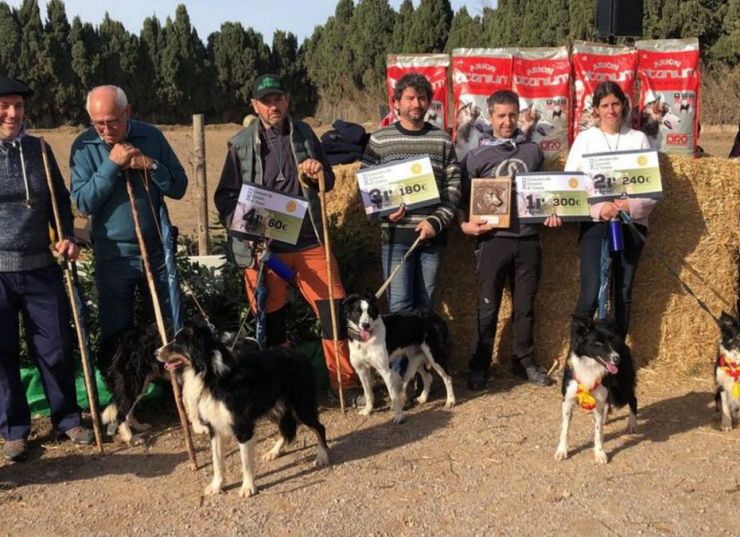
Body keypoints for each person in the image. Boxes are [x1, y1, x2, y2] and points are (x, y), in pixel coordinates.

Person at [214, 74, 361, 403]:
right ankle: (281, 393)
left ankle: (345, 386)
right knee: (271, 321)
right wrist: (245, 230)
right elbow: (225, 197)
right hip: (266, 248)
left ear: (287, 101)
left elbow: (330, 181)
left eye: (278, 98)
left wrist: (317, 174)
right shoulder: (239, 144)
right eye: (265, 101)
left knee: (333, 312)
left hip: (309, 240)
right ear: (255, 106)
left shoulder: (306, 133)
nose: (273, 106)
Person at [0, 75, 93, 461]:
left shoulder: (39, 150)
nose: (12, 113)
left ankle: (67, 418)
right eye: (4, 106)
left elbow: (60, 197)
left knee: (55, 346)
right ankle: (13, 430)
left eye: (18, 106)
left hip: (41, 266)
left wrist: (68, 235)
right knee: (1, 355)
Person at [459, 90, 560, 390]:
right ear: (489, 117)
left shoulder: (532, 152)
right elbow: (460, 200)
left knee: (525, 306)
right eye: (501, 116)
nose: (507, 121)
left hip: (528, 238)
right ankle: (480, 365)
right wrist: (463, 224)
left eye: (512, 115)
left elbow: (544, 193)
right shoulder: (475, 156)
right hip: (493, 241)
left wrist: (551, 214)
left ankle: (523, 361)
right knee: (487, 306)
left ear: (520, 115)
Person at [70, 86, 187, 344]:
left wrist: (152, 165)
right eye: (98, 124)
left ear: (127, 112)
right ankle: (125, 385)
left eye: (113, 122)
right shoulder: (84, 146)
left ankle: (169, 384)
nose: (106, 130)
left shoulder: (151, 137)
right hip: (112, 256)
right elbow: (83, 203)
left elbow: (179, 187)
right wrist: (111, 165)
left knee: (167, 329)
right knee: (116, 334)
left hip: (156, 254)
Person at [362, 73, 462, 313]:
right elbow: (365, 185)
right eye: (410, 98)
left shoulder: (442, 140)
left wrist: (436, 222)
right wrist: (383, 214)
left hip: (431, 237)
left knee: (425, 307)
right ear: (396, 103)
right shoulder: (380, 139)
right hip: (396, 238)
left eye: (422, 98)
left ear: (429, 102)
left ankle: (422, 352)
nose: (417, 104)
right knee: (399, 308)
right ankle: (403, 353)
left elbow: (454, 185)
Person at [565, 81, 655, 339]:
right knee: (591, 291)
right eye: (605, 105)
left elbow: (651, 190)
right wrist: (598, 208)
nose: (611, 110)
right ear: (596, 110)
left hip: (630, 224)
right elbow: (570, 187)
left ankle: (616, 354)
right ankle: (578, 357)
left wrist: (630, 205)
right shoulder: (585, 140)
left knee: (622, 292)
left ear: (624, 105)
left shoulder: (638, 139)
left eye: (616, 104)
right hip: (596, 224)